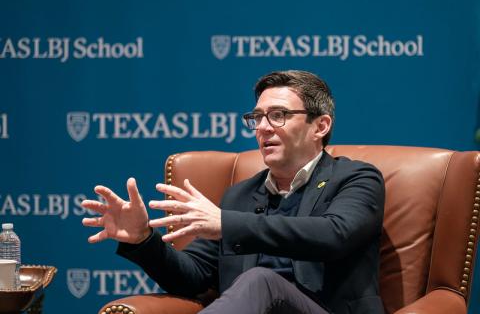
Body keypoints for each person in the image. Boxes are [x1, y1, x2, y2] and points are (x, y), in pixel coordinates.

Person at [82, 70, 385, 314]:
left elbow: (334, 235)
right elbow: (192, 277)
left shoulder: (356, 178)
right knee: (256, 282)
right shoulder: (240, 196)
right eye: (257, 118)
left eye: (278, 115)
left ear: (320, 126)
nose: (263, 128)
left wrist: (227, 224)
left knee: (260, 280)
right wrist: (142, 240)